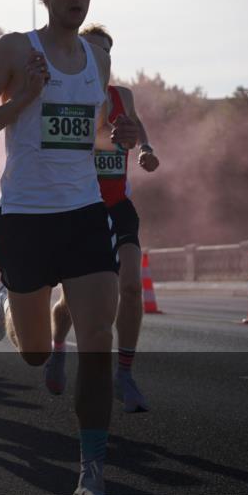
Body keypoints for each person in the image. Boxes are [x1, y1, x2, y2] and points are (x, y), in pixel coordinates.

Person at [0, 0, 138, 495]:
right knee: (37, 353)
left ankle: (90, 483)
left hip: (86, 214)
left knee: (96, 340)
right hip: (25, 220)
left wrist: (124, 138)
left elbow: (96, 131)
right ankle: (9, 297)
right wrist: (26, 99)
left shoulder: (98, 57)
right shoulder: (16, 49)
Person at [45, 24, 160, 413]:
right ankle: (59, 347)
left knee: (131, 287)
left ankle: (124, 373)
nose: (101, 58)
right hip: (78, 206)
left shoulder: (121, 95)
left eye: (107, 52)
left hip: (117, 205)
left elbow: (136, 124)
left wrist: (144, 147)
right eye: (93, 51)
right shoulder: (66, 95)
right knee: (71, 302)